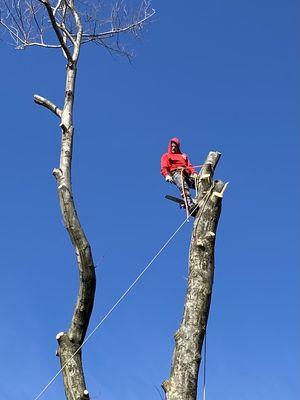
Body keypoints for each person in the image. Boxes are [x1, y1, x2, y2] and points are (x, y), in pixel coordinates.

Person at [161, 137, 197, 210]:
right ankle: (190, 205)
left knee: (198, 185)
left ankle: (200, 198)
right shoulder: (166, 156)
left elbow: (189, 165)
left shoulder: (183, 156)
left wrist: (193, 173)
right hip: (176, 173)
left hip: (186, 174)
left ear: (178, 147)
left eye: (175, 147)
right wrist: (167, 175)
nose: (173, 148)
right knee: (184, 186)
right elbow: (164, 167)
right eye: (172, 146)